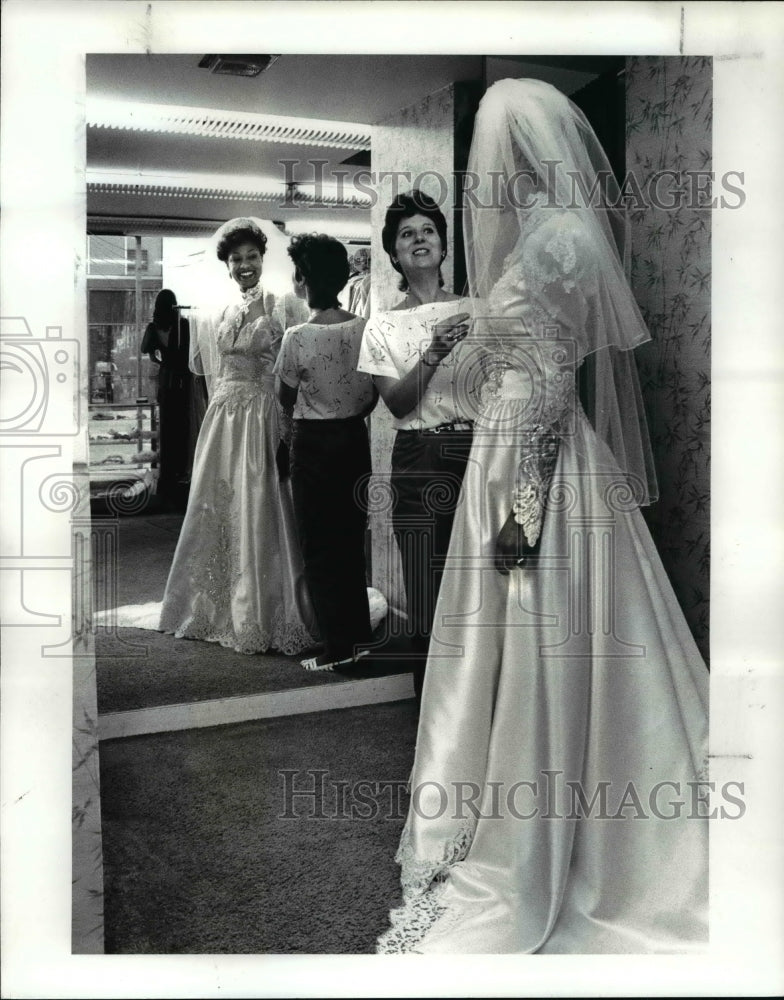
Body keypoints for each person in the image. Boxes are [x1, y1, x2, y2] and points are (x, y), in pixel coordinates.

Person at [377, 79, 709, 954]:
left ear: (522, 155)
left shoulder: (559, 238)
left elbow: (556, 386)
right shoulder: (535, 237)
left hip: (535, 461)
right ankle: (495, 790)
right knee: (499, 637)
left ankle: (557, 821)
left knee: (538, 625)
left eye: (497, 155)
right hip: (502, 445)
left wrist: (524, 507)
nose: (486, 175)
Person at [157, 218, 317, 655]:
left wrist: (289, 422)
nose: (244, 265)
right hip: (223, 415)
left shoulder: (283, 303)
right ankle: (211, 602)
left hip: (262, 414)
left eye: (251, 257)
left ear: (263, 260)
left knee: (261, 502)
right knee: (217, 503)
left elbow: (296, 366)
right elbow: (215, 367)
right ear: (226, 265)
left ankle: (264, 606)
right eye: (236, 259)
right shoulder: (221, 310)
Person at [357, 191, 479, 702]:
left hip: (479, 451)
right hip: (418, 458)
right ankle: (433, 718)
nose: (419, 239)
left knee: (481, 586)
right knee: (428, 588)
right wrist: (434, 350)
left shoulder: (478, 310)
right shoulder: (381, 325)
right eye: (406, 234)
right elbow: (400, 405)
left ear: (444, 246)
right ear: (393, 255)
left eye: (427, 230)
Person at [274, 234, 378, 672]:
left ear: (302, 279)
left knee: (318, 548)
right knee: (351, 542)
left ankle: (336, 648)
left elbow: (284, 397)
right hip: (354, 440)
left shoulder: (297, 337)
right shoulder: (363, 329)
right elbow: (374, 394)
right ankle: (359, 638)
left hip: (313, 445)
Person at [141, 289, 193, 502]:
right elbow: (188, 353)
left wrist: (161, 359)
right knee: (181, 430)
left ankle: (166, 479)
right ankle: (179, 477)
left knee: (166, 430)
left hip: (166, 380)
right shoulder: (183, 325)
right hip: (181, 381)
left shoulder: (154, 327)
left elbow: (147, 350)